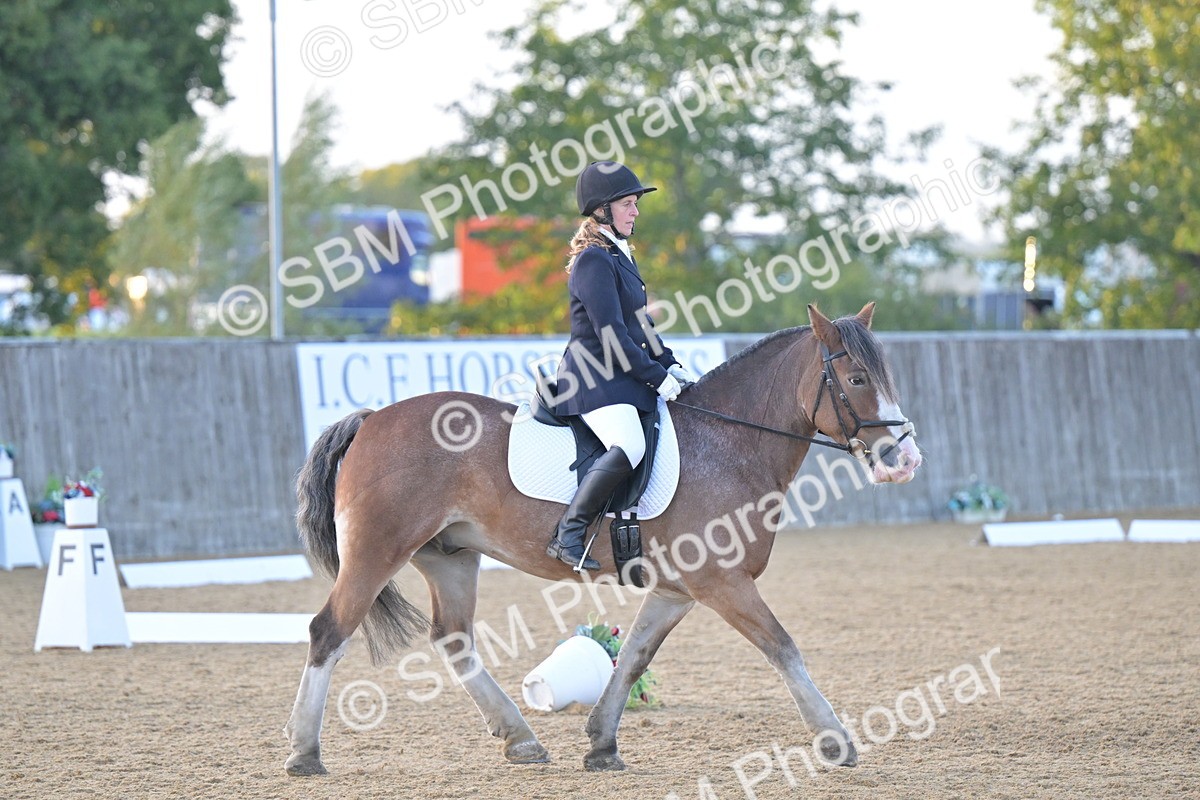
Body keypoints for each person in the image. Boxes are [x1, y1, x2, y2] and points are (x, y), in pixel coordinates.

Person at [546, 160, 696, 571]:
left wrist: (672, 364)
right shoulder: (594, 261)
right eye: (628, 204)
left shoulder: (619, 258)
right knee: (630, 444)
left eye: (635, 204)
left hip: (619, 378)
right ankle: (568, 533)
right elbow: (612, 336)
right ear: (602, 209)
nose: (635, 212)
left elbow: (641, 326)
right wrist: (656, 377)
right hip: (593, 380)